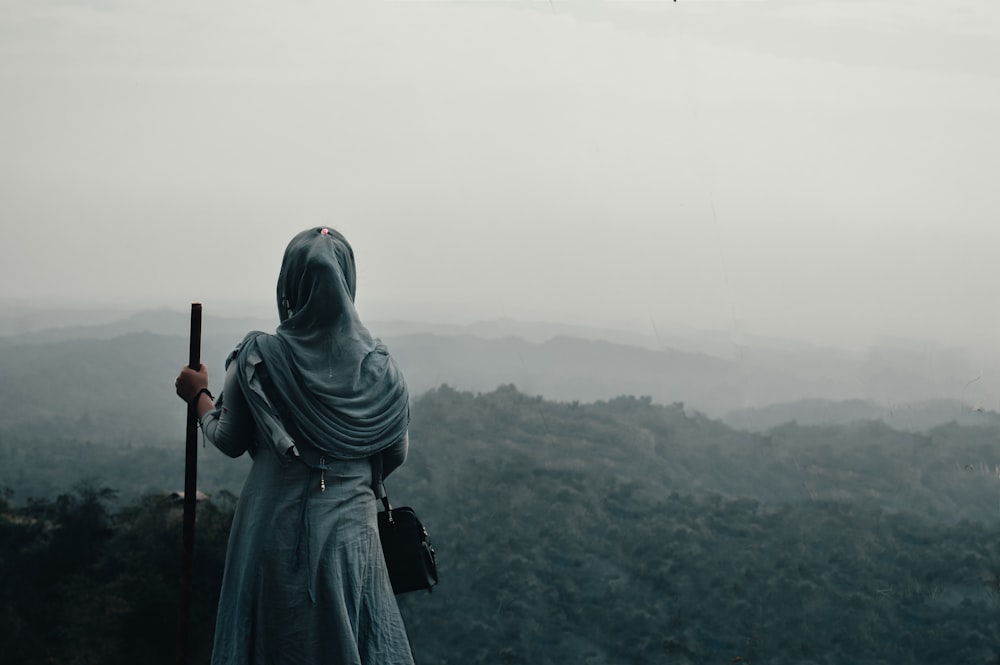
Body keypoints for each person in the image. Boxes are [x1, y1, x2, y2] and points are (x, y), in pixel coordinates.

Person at [175, 227, 415, 665]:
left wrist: (198, 396)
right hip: (353, 539)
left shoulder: (260, 357)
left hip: (273, 535)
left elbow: (228, 439)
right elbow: (393, 454)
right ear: (348, 281)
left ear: (290, 283)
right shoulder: (380, 370)